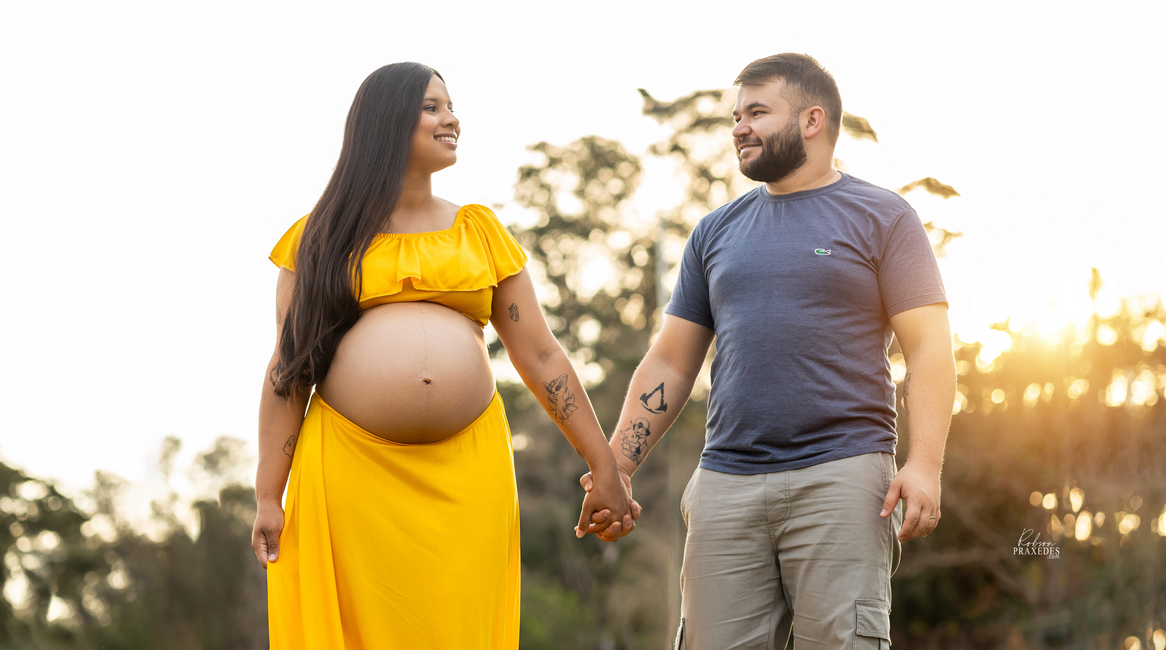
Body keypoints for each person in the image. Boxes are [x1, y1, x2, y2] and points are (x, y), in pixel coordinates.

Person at [252, 62, 635, 649]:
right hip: (353, 474)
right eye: (432, 107)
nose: (451, 119)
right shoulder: (319, 240)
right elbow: (289, 373)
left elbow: (540, 356)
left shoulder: (479, 231)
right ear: (385, 123)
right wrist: (267, 494)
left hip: (468, 473)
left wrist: (602, 463)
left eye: (450, 106)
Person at [582, 53, 955, 649]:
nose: (738, 127)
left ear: (812, 120)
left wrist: (925, 465)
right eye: (736, 115)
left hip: (843, 474)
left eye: (757, 112)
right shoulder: (715, 232)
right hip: (726, 482)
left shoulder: (884, 217)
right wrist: (618, 466)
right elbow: (672, 361)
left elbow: (930, 348)